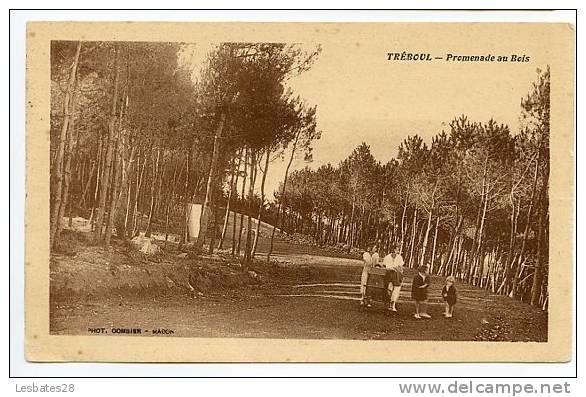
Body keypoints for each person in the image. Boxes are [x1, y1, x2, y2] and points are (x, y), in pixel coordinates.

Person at [384, 246, 404, 312]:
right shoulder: (387, 257)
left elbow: (400, 267)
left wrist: (397, 269)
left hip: (397, 276)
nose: (397, 251)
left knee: (396, 290)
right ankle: (388, 304)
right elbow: (386, 267)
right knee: (389, 289)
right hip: (389, 275)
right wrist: (393, 268)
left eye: (397, 250)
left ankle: (393, 305)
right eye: (396, 250)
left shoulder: (399, 257)